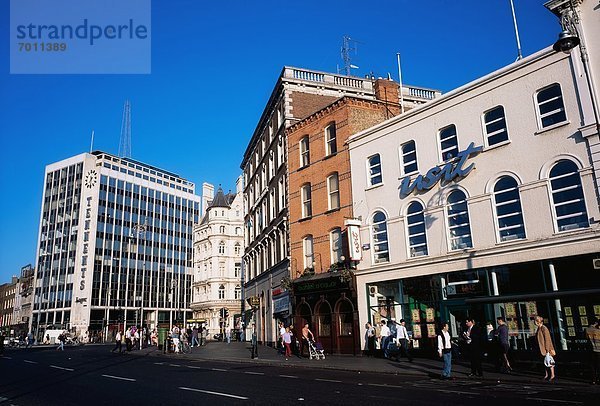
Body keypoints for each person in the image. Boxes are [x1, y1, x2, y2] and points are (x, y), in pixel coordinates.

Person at [535, 315, 556, 382]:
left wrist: (547, 349)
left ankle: (552, 375)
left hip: (546, 348)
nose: (534, 322)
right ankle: (546, 374)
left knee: (549, 361)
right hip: (542, 348)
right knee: (545, 362)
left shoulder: (544, 328)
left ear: (538, 322)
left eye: (535, 321)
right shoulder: (539, 328)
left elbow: (547, 339)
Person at [585, 317, 600, 385]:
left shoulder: (586, 330)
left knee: (592, 366)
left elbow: (586, 338)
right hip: (599, 350)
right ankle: (598, 379)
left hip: (591, 350)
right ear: (596, 322)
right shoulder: (598, 330)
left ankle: (593, 380)